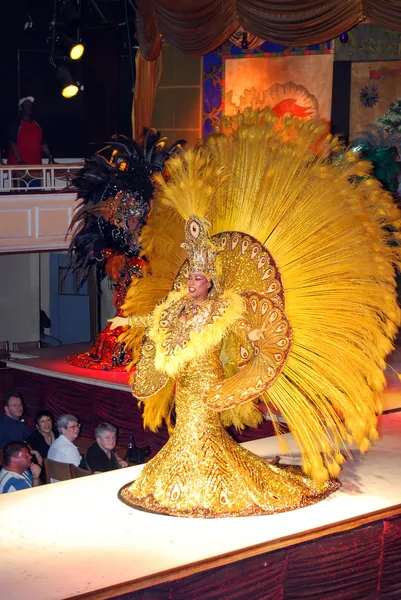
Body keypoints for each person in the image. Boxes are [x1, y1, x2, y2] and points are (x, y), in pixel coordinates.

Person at [109, 111, 400, 518]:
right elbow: (163, 335)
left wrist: (255, 354)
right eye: (188, 276)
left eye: (196, 278)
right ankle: (187, 479)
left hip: (210, 383)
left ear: (209, 280)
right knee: (187, 434)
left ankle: (209, 483)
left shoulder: (227, 308)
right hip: (187, 383)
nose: (190, 282)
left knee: (199, 432)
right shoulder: (176, 306)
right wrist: (146, 331)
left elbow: (257, 338)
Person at [8, 97, 54, 166]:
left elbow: (43, 143)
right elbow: (12, 143)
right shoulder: (16, 124)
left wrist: (50, 156)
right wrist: (20, 160)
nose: (29, 107)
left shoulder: (37, 125)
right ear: (21, 108)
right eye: (26, 105)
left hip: (35, 165)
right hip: (18, 166)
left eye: (30, 105)